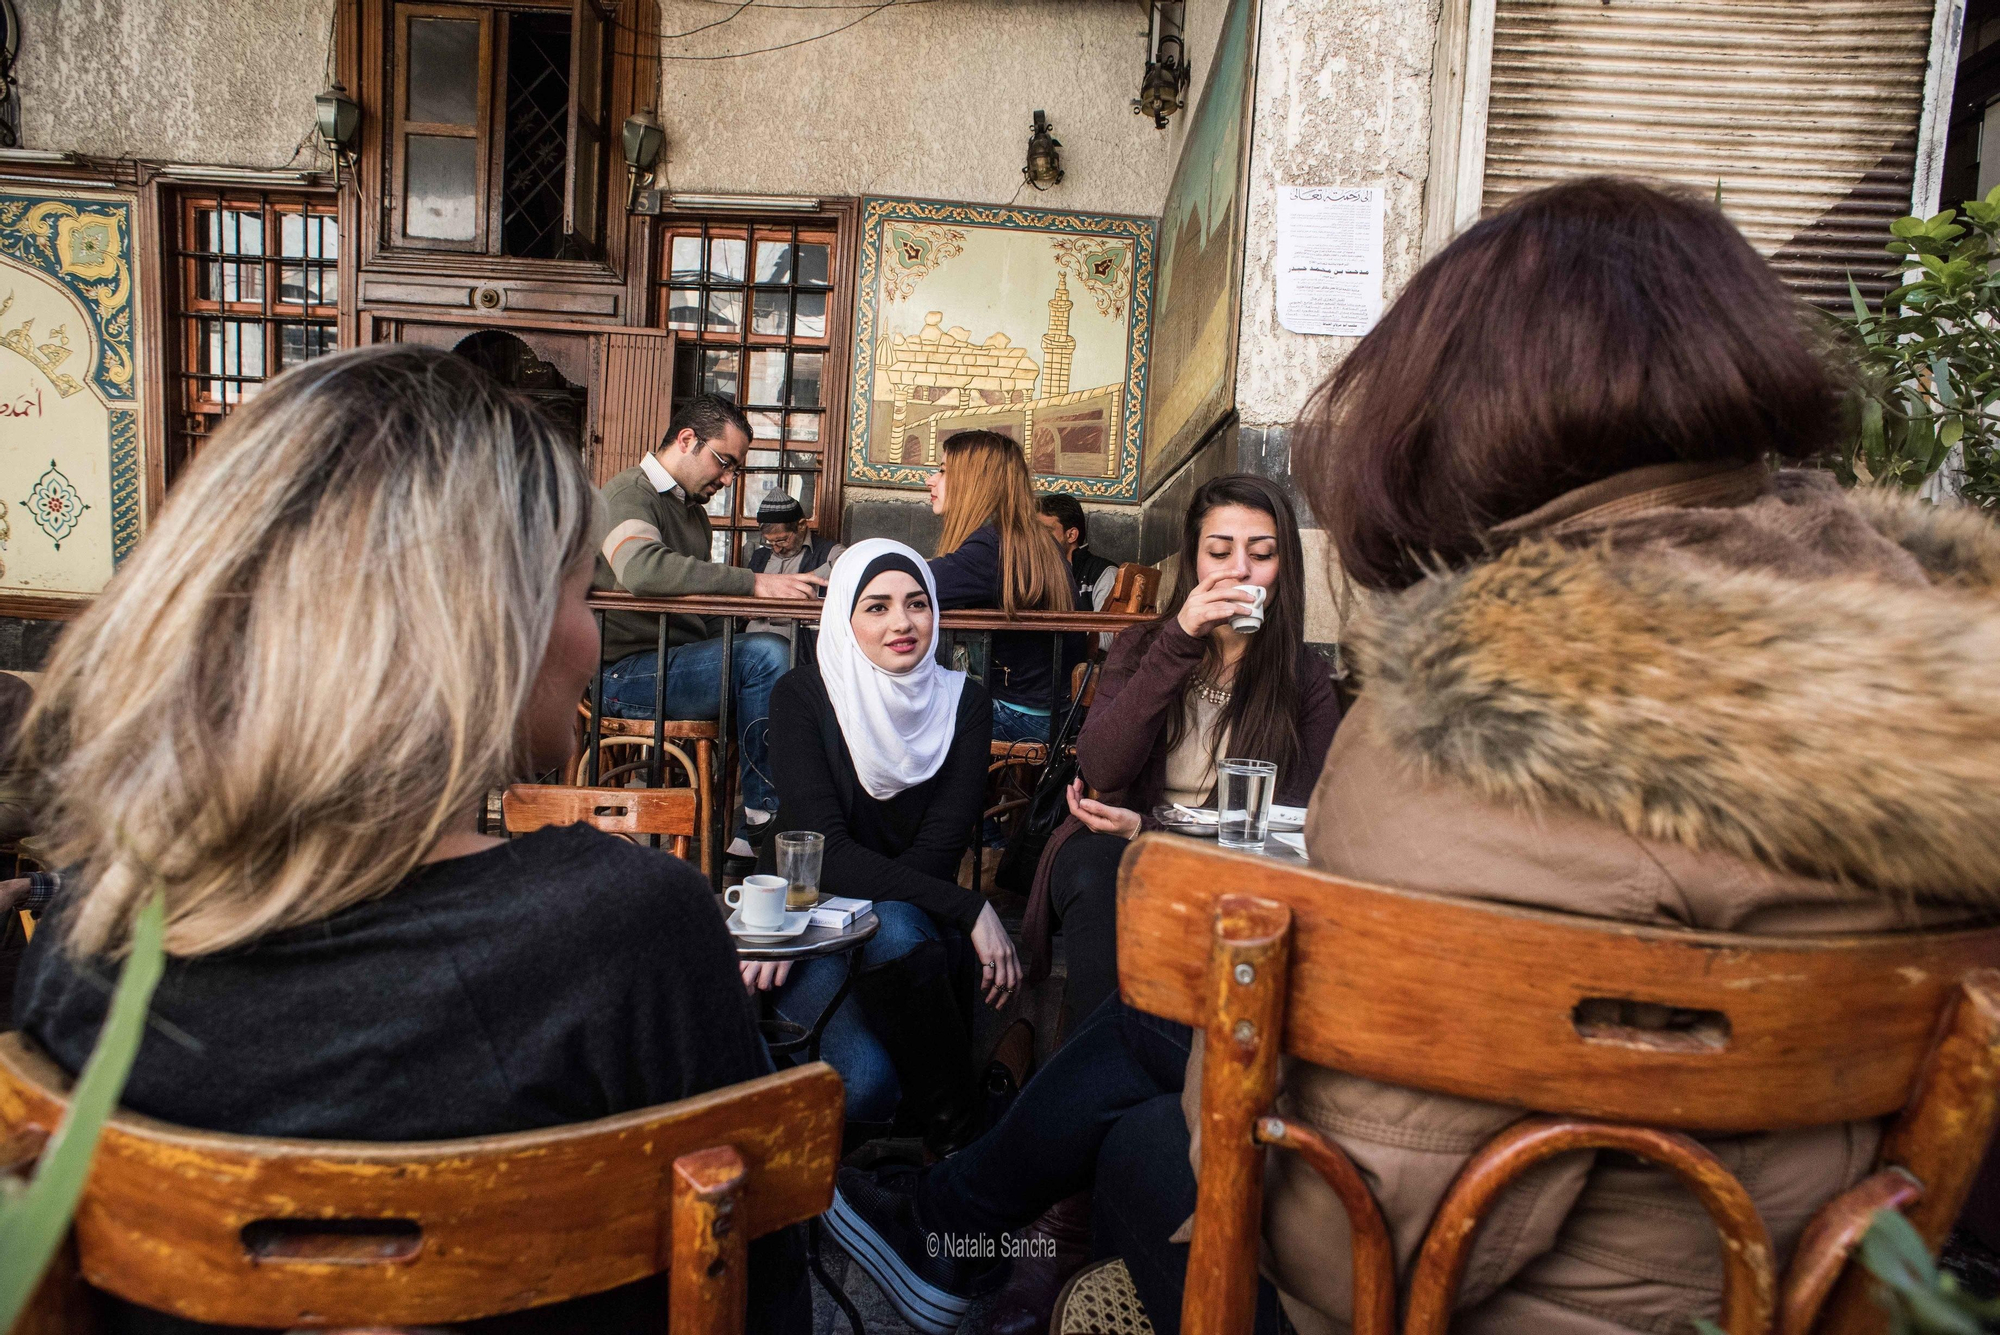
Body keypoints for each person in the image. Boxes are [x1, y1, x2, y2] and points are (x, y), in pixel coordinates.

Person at [827, 176, 2000, 1335]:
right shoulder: (1941, 683)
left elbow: (1347, 1242)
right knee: (1137, 1024)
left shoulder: (1466, 725)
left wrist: (1225, 1078)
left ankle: (948, 1243)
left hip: (1489, 1294)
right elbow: (1102, 760)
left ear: (1453, 420)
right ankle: (947, 1226)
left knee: (1144, 1133)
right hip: (1791, 1281)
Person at [11, 346, 809, 1335]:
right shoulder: (629, 933)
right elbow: (763, 1308)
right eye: (580, 596)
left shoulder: (89, 918)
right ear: (491, 631)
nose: (590, 638)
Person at [1023, 474, 1342, 1023]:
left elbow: (1298, 821)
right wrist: (1178, 640)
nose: (1238, 569)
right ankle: (1096, 1063)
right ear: (1195, 561)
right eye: (1219, 552)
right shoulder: (1143, 647)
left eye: (1261, 553)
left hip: (1232, 864)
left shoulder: (1303, 679)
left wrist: (1149, 831)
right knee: (1094, 868)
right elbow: (1102, 764)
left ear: (1283, 566)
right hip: (1120, 846)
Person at [749, 540, 1019, 1140]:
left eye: (917, 603)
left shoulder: (964, 705)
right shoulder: (803, 696)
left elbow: (934, 857)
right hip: (810, 924)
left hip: (910, 934)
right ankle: (958, 1138)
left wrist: (938, 902)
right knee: (868, 1087)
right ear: (844, 617)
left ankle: (956, 1141)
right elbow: (825, 855)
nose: (902, 622)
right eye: (876, 607)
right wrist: (970, 905)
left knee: (895, 924)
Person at [594, 393, 826, 863]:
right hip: (623, 677)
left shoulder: (693, 514)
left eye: (733, 469)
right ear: (686, 440)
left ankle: (754, 831)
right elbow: (640, 569)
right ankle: (766, 818)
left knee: (793, 669)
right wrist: (755, 584)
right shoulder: (629, 493)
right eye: (724, 462)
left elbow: (693, 612)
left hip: (670, 665)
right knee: (763, 655)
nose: (727, 479)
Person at [927, 430, 1080, 744]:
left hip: (1022, 714)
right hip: (1051, 709)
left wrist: (854, 571)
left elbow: (913, 585)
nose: (931, 480)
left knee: (899, 713)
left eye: (943, 471)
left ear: (974, 481)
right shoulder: (1024, 538)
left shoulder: (992, 546)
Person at [744, 488, 844, 653]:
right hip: (750, 645)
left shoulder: (829, 553)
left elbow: (851, 565)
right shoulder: (759, 556)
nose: (776, 549)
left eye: (782, 540)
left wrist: (811, 577)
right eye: (769, 542)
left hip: (800, 651)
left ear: (802, 525)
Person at [1036, 492, 1115, 613]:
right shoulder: (1032, 575)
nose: (1037, 538)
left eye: (1046, 531)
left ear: (1071, 535)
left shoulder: (1103, 573)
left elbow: (1108, 631)